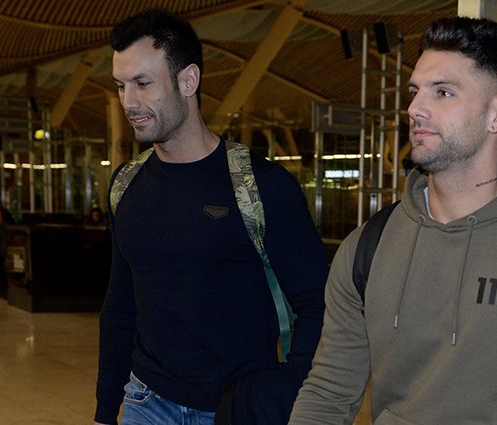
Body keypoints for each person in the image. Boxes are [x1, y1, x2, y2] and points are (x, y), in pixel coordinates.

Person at [289, 16, 497, 425]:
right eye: (415, 92)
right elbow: (328, 392)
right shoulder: (367, 248)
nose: (415, 108)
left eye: (443, 92)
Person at [94, 8, 328, 425]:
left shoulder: (261, 185)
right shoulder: (126, 185)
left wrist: (287, 387)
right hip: (146, 403)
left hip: (236, 407)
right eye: (120, 86)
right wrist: (103, 409)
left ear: (188, 80)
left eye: (143, 84)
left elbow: (318, 303)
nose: (129, 102)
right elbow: (120, 305)